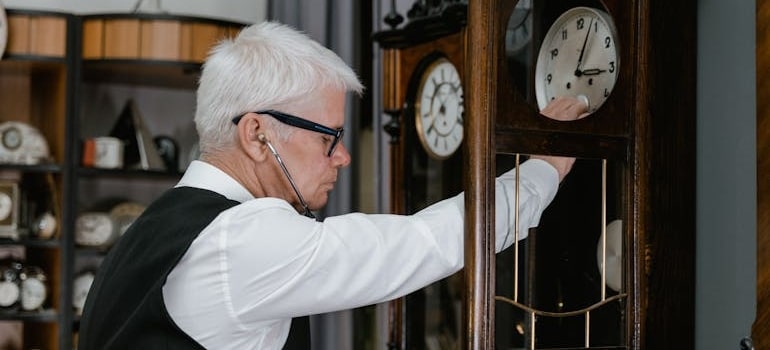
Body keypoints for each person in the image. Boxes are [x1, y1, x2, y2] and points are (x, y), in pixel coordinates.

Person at [77, 21, 588, 350]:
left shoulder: (152, 233)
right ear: (257, 134)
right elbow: (423, 243)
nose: (342, 157)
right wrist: (544, 165)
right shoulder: (241, 240)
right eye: (329, 138)